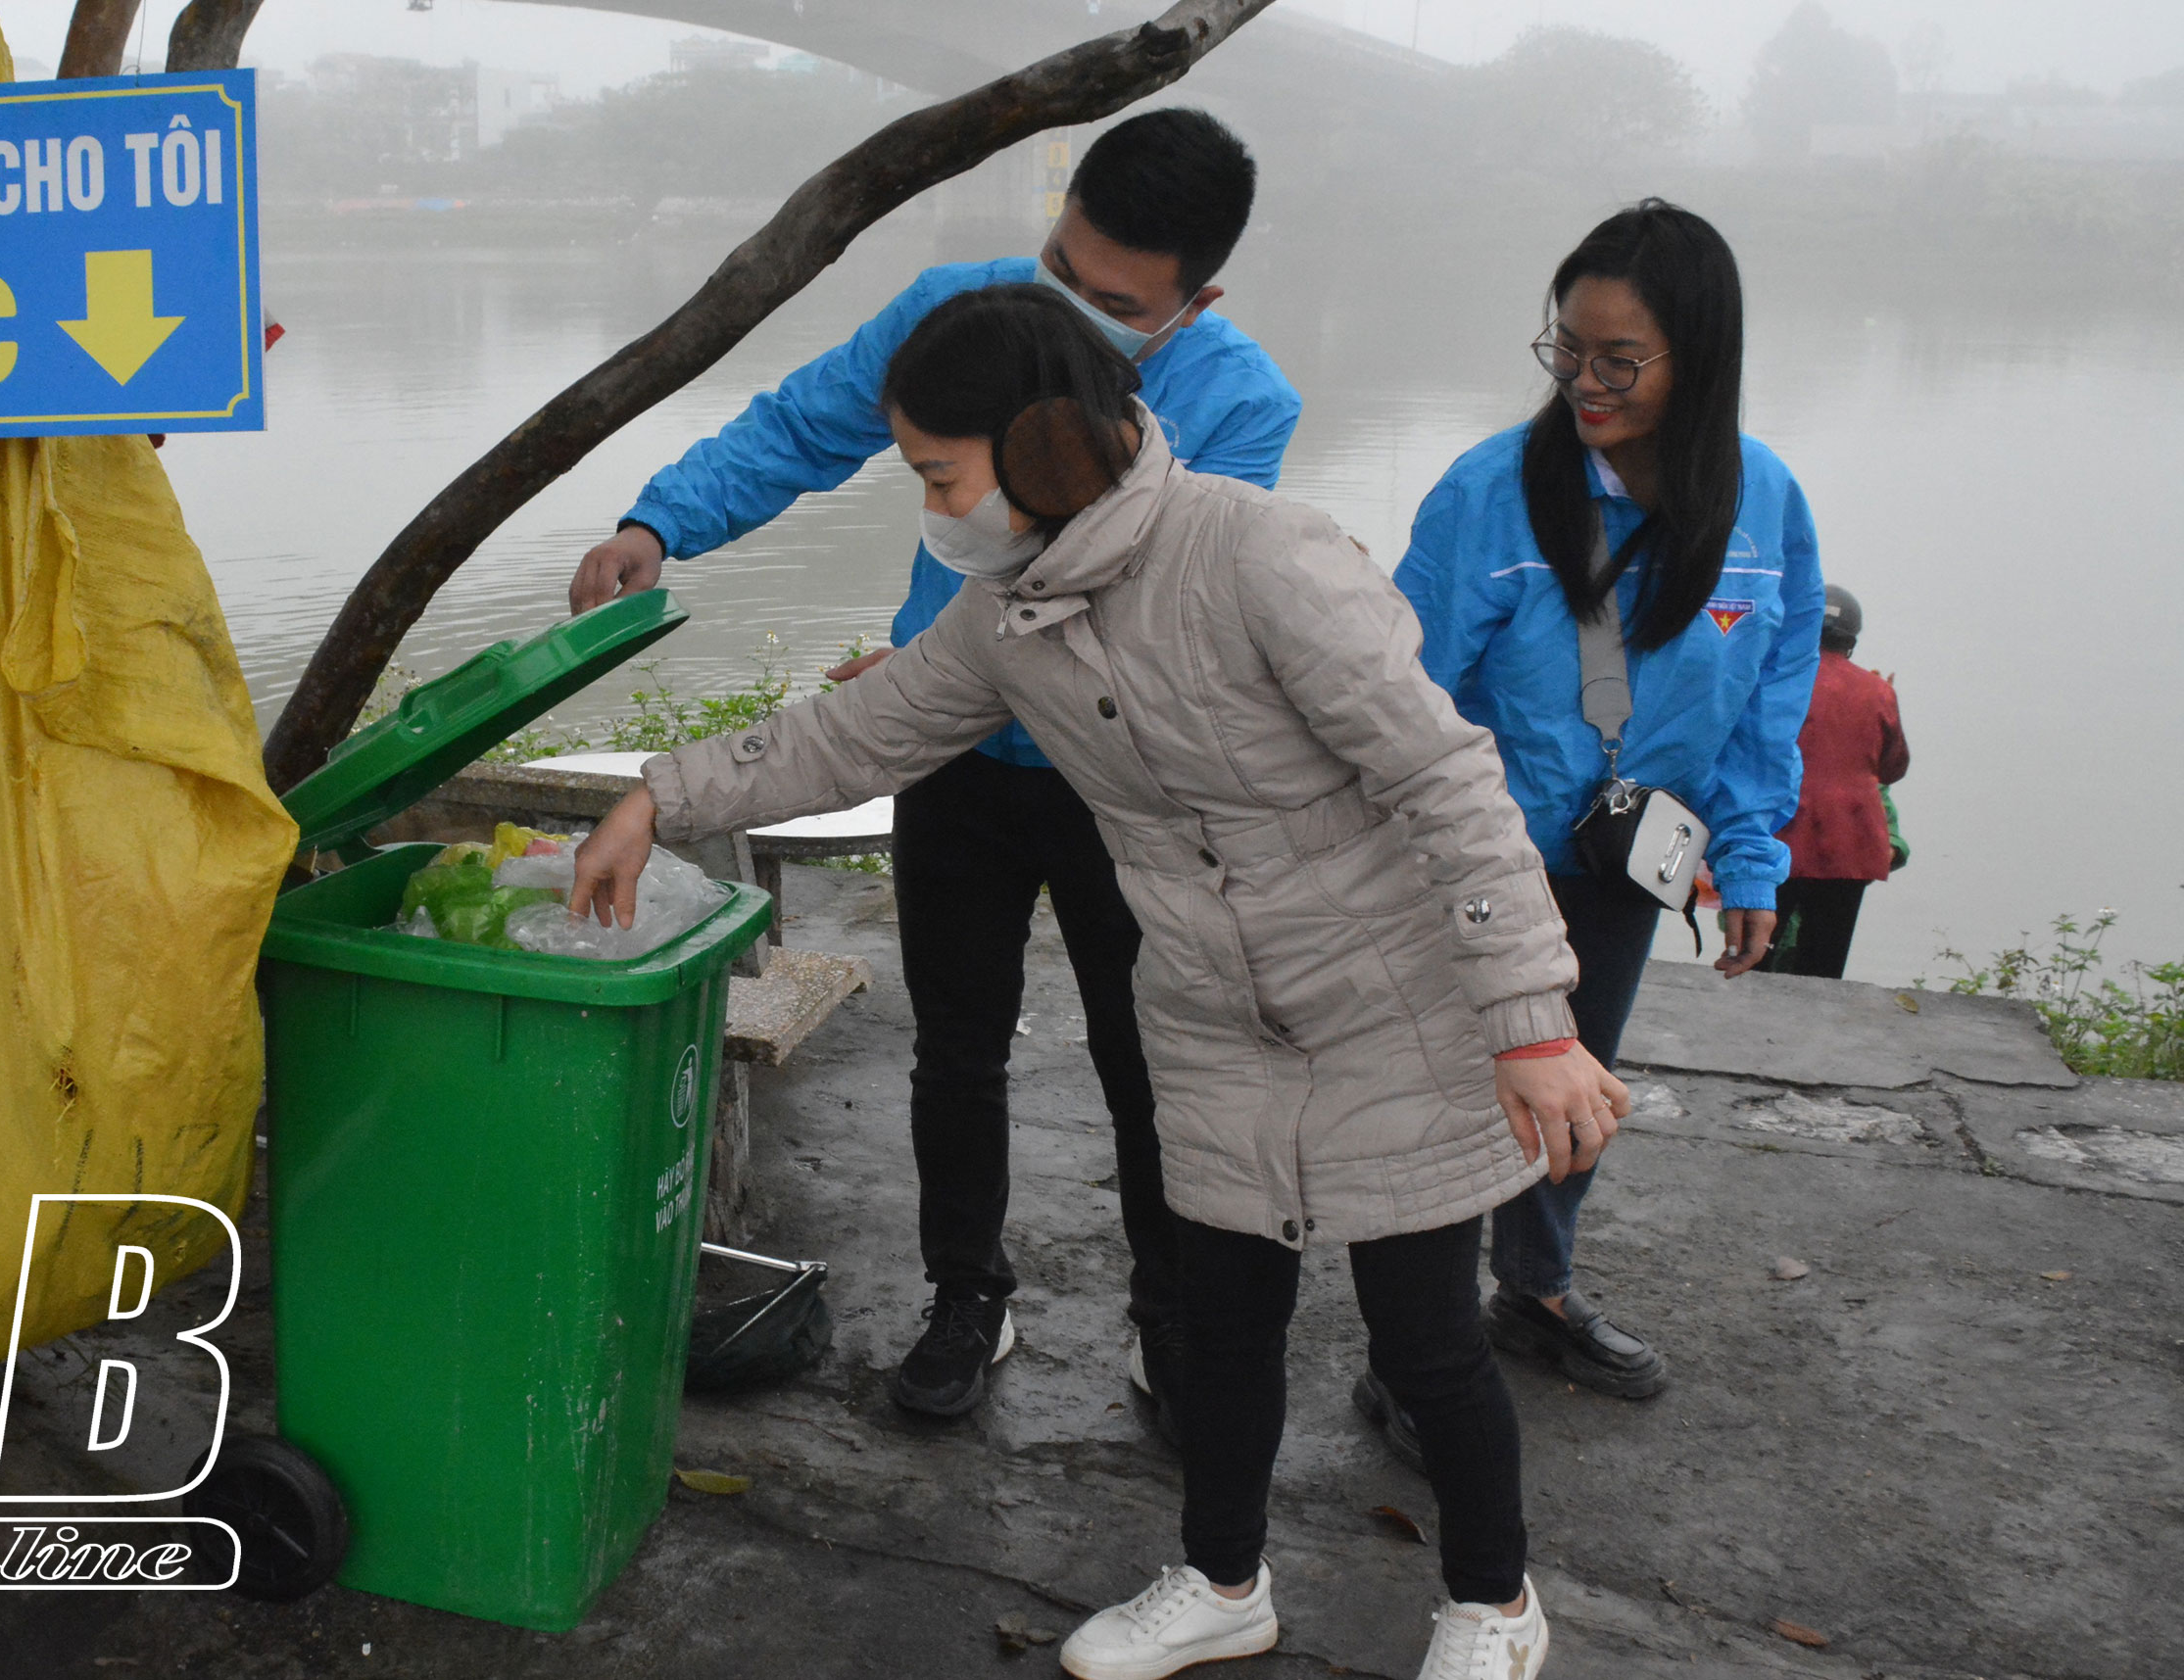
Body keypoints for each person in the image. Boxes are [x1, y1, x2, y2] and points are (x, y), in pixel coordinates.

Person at [569, 287, 1626, 1680]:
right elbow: (860, 731)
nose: (933, 508)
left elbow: (1447, 780)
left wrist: (1531, 1019)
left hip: (1389, 1005)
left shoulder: (1260, 553)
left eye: (941, 474)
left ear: (1050, 447)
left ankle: (1492, 1603)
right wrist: (662, 793)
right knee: (1223, 1322)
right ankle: (1224, 1581)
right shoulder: (1010, 614)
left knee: (1426, 1338)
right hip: (1209, 1011)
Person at [568, 110, 1301, 1420]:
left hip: (1124, 782)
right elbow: (801, 425)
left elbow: (1172, 614)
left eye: (1116, 305)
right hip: (955, 757)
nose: (1069, 312)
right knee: (956, 1043)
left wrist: (935, 665)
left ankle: (1169, 1314)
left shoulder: (1243, 406)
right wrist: (658, 522)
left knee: (1152, 1056)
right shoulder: (957, 313)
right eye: (1060, 271)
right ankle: (967, 1295)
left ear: (1196, 304)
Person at [1388, 201, 1824, 1412]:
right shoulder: (1491, 492)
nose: (1584, 379)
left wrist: (1751, 853)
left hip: (1628, 859)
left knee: (1580, 1087)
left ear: (1702, 356)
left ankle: (1535, 1291)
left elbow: (1769, 692)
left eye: (1620, 359)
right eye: (1568, 348)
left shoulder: (1764, 500)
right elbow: (1394, 693)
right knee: (1450, 1104)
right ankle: (1415, 1353)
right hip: (1482, 866)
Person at [1762, 585, 1908, 978]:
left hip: (1778, 836)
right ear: (1851, 639)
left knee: (1754, 956)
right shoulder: (1878, 691)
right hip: (1851, 843)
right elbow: (1893, 768)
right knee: (1825, 967)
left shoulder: (1777, 680)